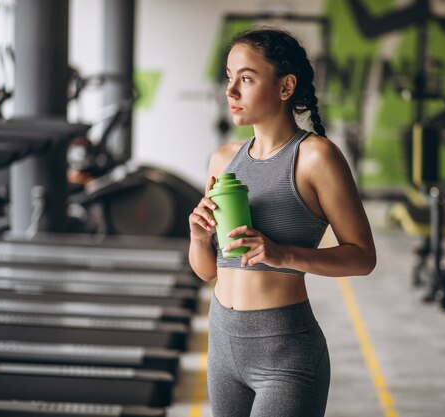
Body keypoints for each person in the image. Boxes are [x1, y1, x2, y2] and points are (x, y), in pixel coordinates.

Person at [188, 27, 376, 417]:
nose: (231, 92)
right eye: (229, 78)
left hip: (285, 353)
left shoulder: (315, 158)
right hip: (222, 343)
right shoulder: (223, 159)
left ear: (286, 86)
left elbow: (362, 258)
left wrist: (281, 254)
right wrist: (198, 237)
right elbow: (208, 271)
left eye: (246, 78)